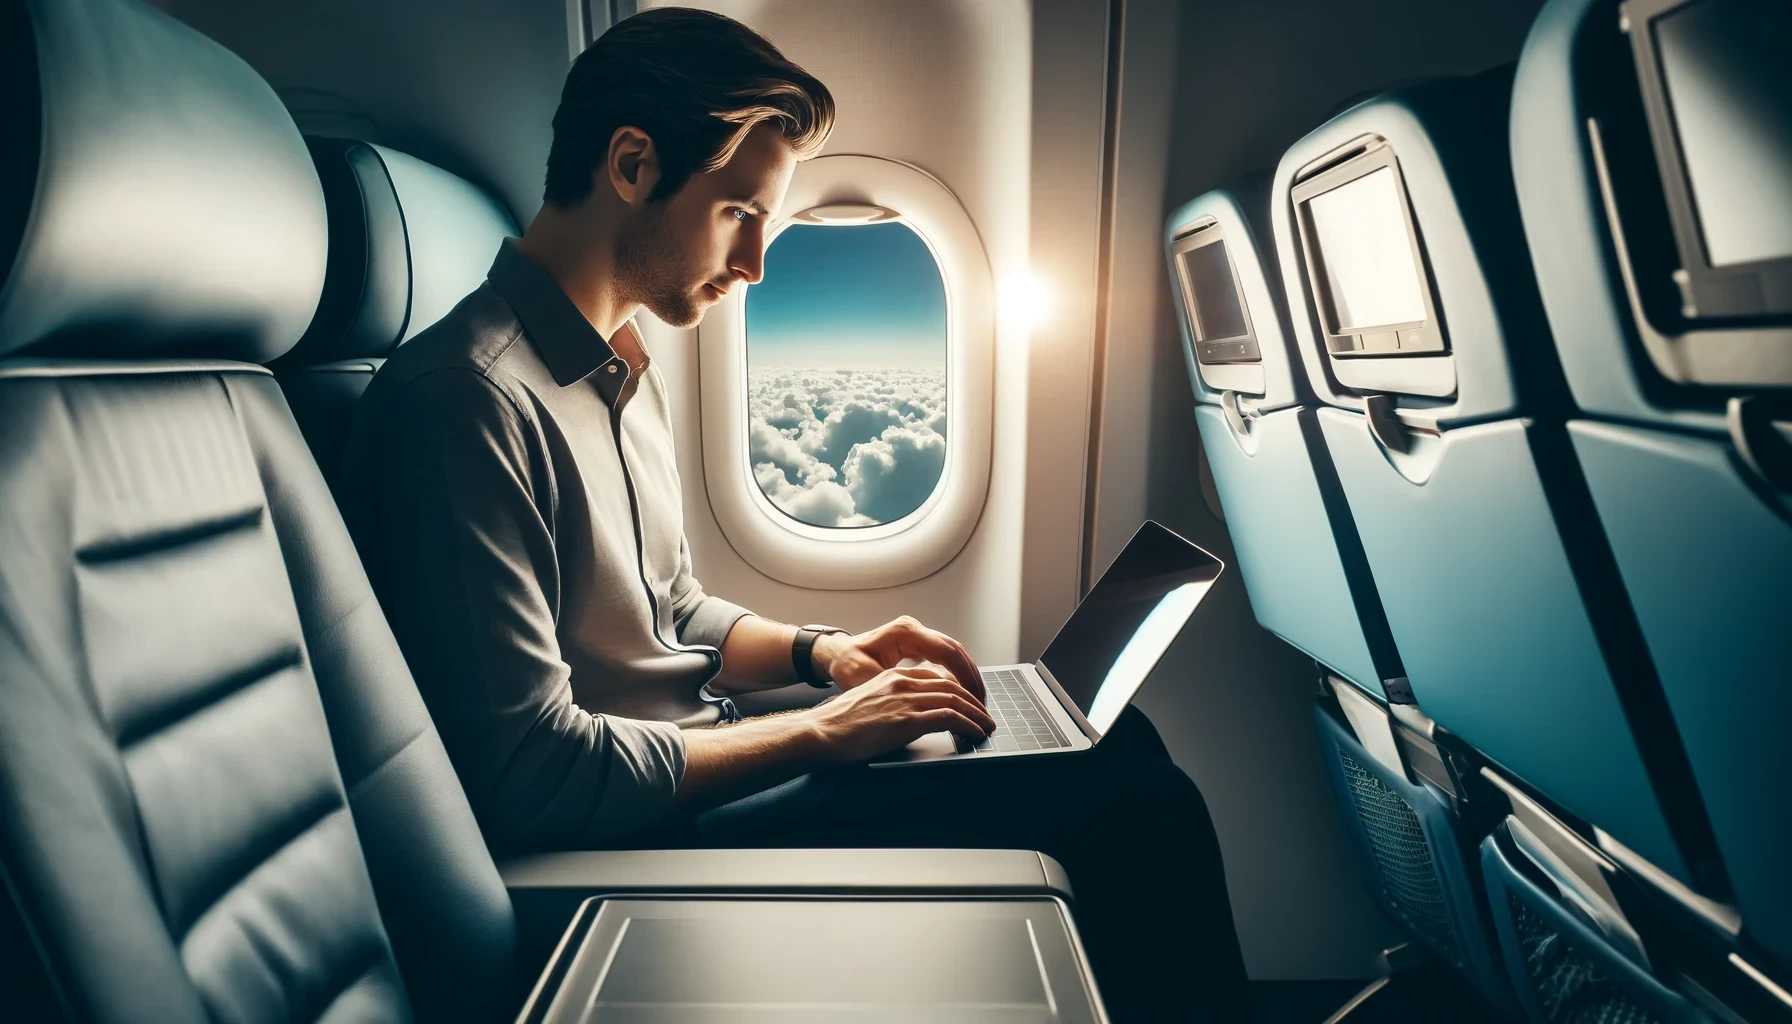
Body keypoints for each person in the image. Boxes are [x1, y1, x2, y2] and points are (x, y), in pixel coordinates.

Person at [339, 8, 1250, 1020]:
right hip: (631, 831)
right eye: (739, 212)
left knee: (1112, 742)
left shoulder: (620, 368)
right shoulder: (465, 403)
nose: (758, 262)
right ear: (633, 164)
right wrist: (825, 732)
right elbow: (532, 772)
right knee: (1137, 808)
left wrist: (829, 655)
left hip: (702, 756)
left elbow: (672, 610)